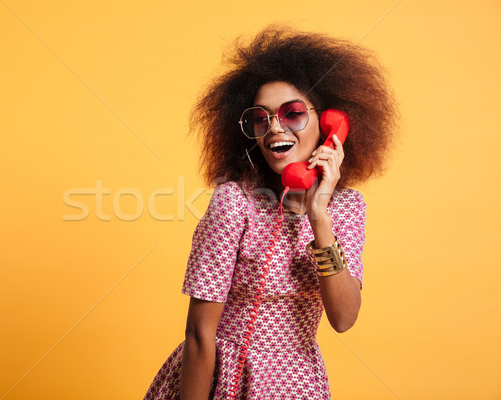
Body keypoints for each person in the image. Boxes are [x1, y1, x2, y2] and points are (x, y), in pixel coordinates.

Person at [144, 26, 397, 400]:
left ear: (331, 124)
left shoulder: (346, 208)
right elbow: (200, 333)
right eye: (261, 119)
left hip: (297, 381)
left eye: (292, 113)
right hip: (219, 377)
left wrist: (318, 217)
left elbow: (343, 319)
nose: (274, 127)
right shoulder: (234, 201)